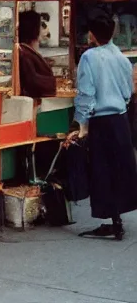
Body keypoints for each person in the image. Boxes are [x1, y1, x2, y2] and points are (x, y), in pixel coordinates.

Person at [68, 15, 137, 240]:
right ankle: (116, 220)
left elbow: (86, 93)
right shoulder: (121, 57)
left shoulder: (89, 57)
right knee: (119, 169)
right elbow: (128, 91)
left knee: (102, 170)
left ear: (92, 34)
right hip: (120, 119)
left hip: (101, 121)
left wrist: (81, 123)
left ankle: (111, 222)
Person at [17, 9, 57, 100]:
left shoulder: (27, 51)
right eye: (40, 26)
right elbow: (32, 80)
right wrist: (53, 82)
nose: (43, 29)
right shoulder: (24, 53)